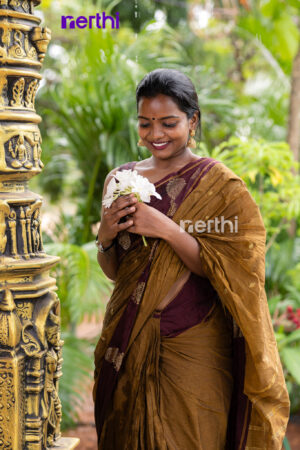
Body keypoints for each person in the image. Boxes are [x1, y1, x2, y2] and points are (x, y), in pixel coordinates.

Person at [93, 68, 290, 449]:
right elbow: (117, 272)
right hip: (127, 336)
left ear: (192, 120)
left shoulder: (220, 186)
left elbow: (233, 268)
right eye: (145, 123)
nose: (156, 134)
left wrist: (165, 228)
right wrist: (105, 235)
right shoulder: (120, 179)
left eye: (168, 123)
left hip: (194, 343)